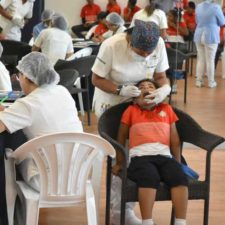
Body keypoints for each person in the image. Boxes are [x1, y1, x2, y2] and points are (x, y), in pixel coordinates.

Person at [92, 20, 171, 225]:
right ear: (130, 41)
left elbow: (161, 76)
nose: (145, 56)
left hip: (141, 108)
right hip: (112, 104)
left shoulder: (158, 44)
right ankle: (118, 211)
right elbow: (96, 79)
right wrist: (120, 90)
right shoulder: (112, 45)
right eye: (141, 52)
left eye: (148, 53)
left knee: (138, 157)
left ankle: (128, 208)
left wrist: (164, 89)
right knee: (119, 157)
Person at [0, 51, 83, 224]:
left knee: (9, 152)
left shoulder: (28, 104)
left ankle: (10, 215)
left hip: (45, 181)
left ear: (27, 77)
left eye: (19, 76)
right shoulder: (62, 92)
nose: (18, 80)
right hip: (77, 175)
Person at [113, 79, 188, 225]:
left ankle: (180, 222)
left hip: (165, 156)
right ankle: (147, 221)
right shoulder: (131, 110)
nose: (146, 88)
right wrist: (120, 162)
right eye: (141, 87)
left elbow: (175, 140)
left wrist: (178, 162)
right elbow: (121, 137)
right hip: (140, 157)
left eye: (151, 86)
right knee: (148, 176)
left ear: (159, 94)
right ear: (135, 99)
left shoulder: (167, 109)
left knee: (179, 177)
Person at [194, 0, 225, 88]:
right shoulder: (216, 7)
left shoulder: (198, 6)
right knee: (210, 60)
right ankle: (211, 82)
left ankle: (198, 81)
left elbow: (196, 21)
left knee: (200, 59)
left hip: (199, 34)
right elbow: (223, 22)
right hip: (211, 35)